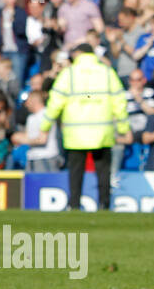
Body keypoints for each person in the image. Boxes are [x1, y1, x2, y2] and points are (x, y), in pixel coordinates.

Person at [41, 43, 131, 211]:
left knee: (76, 172)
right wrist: (124, 127)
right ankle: (104, 204)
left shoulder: (69, 74)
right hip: (102, 131)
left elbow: (55, 101)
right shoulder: (106, 72)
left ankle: (74, 205)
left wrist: (45, 125)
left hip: (76, 132)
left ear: (79, 54)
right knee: (103, 172)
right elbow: (119, 101)